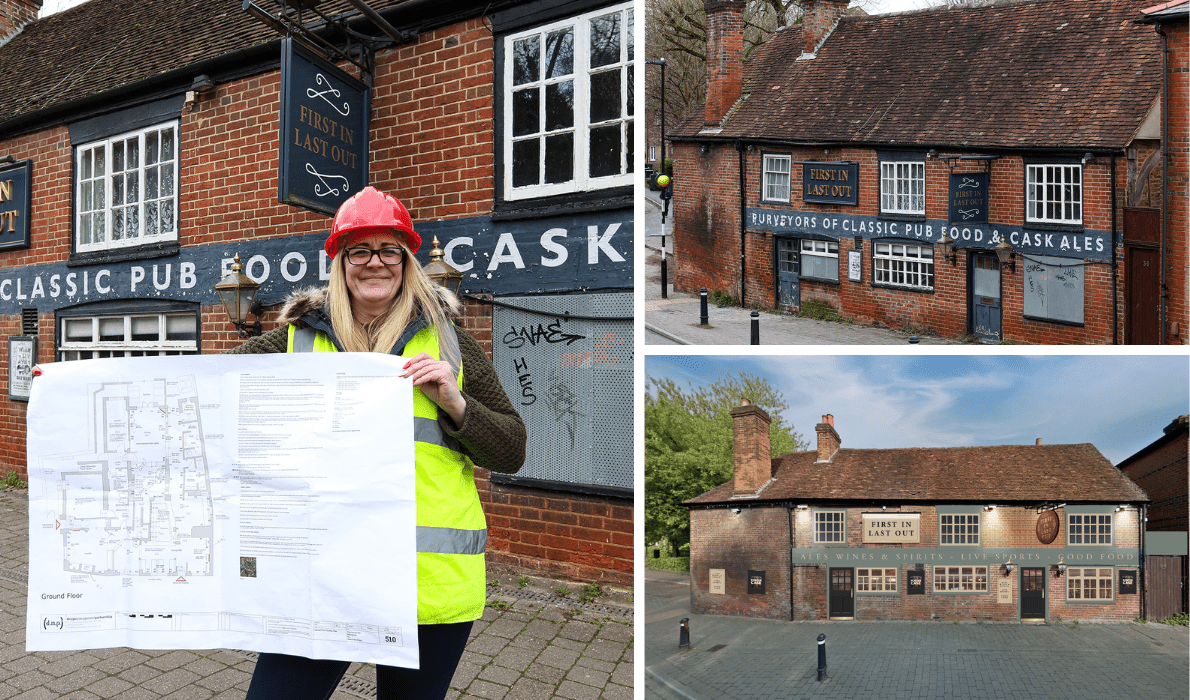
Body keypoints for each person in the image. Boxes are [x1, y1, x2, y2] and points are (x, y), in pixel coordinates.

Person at [227, 186, 527, 700]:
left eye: (389, 250)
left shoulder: (450, 343)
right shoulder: (296, 338)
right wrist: (69, 389)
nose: (376, 263)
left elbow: (512, 451)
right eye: (360, 250)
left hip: (427, 583)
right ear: (340, 262)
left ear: (406, 260)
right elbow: (205, 389)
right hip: (321, 574)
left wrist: (456, 403)